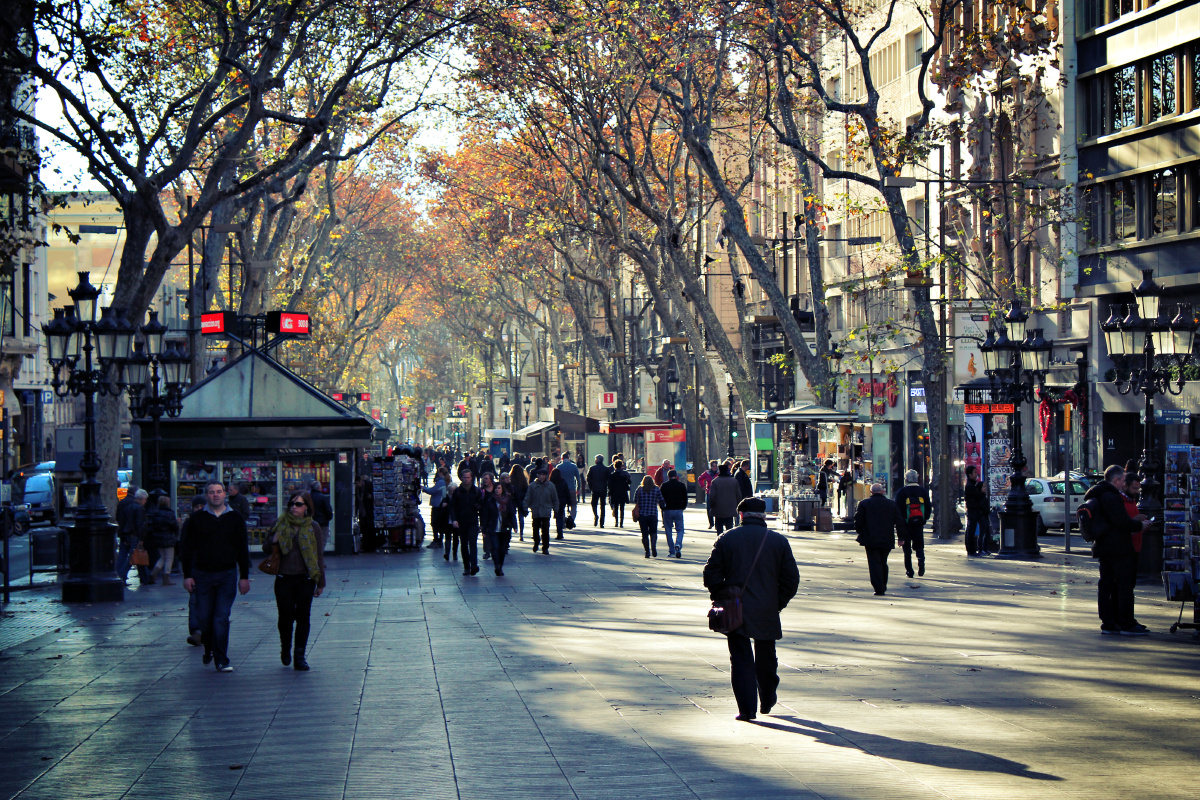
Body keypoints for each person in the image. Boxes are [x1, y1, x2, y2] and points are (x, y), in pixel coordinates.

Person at [703, 496, 800, 721]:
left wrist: (722, 596)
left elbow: (711, 574)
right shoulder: (778, 541)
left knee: (740, 658)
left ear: (741, 516)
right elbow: (791, 579)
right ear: (764, 516)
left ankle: (747, 709)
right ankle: (767, 698)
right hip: (767, 608)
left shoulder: (727, 539)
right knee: (767, 656)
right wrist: (778, 602)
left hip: (735, 608)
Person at [180, 481, 251, 673]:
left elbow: (242, 549)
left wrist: (244, 576)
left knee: (221, 616)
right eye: (212, 492)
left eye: (219, 492)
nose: (216, 495)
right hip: (202, 574)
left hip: (226, 574)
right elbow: (187, 549)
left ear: (225, 494)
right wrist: (187, 575)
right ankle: (208, 646)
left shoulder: (235, 518)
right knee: (204, 617)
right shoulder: (196, 519)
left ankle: (221, 659)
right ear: (207, 496)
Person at [1085, 465, 1151, 635]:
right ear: (1115, 480)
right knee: (1124, 585)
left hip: (1105, 546)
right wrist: (1141, 525)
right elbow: (1122, 523)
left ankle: (1110, 621)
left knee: (1108, 585)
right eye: (1122, 479)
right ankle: (1125, 622)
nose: (1124, 482)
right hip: (1118, 547)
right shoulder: (1111, 497)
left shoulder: (1099, 494)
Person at [266, 491, 326, 671]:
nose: (294, 507)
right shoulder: (280, 523)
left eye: (298, 504)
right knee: (285, 617)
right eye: (292, 504)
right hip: (284, 577)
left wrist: (320, 582)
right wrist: (275, 540)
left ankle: (300, 655)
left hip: (305, 578)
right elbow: (265, 547)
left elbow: (319, 555)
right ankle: (285, 648)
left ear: (306, 507)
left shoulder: (313, 527)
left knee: (303, 617)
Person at [854, 483, 903, 596]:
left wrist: (861, 532)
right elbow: (899, 522)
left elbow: (858, 521)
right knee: (883, 561)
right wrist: (901, 537)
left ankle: (878, 587)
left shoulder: (864, 504)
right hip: (887, 538)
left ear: (871, 492)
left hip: (870, 538)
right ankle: (883, 583)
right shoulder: (891, 504)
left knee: (874, 562)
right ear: (882, 491)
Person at [179, 495, 207, 646]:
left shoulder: (214, 521)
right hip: (195, 567)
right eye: (196, 507)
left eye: (201, 506)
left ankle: (206, 630)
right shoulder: (189, 523)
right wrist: (187, 573)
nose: (199, 510)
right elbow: (184, 548)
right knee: (195, 600)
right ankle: (196, 631)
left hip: (211, 567)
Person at [893, 470, 932, 579]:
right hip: (919, 523)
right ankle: (921, 561)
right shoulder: (923, 491)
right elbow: (928, 506)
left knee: (907, 548)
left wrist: (899, 522)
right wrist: (924, 519)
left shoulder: (901, 492)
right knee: (919, 544)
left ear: (906, 479)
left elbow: (898, 509)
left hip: (905, 523)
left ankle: (909, 570)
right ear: (917, 478)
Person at [447, 469, 484, 576]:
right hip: (461, 521)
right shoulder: (458, 491)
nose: (466, 479)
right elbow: (452, 506)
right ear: (461, 478)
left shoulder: (476, 491)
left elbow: (482, 506)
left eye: (468, 477)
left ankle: (474, 565)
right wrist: (454, 519)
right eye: (465, 477)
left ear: (471, 478)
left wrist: (481, 521)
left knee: (472, 542)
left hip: (473, 520)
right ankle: (466, 566)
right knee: (463, 544)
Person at [480, 480, 517, 576]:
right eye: (496, 488)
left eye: (499, 488)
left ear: (502, 489)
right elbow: (485, 516)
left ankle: (500, 565)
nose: (497, 490)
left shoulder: (507, 500)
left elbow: (512, 514)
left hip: (505, 528)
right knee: (495, 547)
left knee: (502, 549)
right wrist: (483, 529)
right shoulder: (490, 501)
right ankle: (497, 565)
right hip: (493, 528)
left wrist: (515, 526)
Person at [115, 487, 148, 586]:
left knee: (125, 555)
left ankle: (144, 577)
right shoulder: (139, 508)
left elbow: (121, 519)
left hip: (126, 533)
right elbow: (139, 524)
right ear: (142, 499)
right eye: (145, 499)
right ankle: (122, 576)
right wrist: (141, 537)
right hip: (134, 535)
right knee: (133, 557)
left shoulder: (126, 506)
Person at [145, 494, 180, 586]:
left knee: (162, 557)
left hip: (158, 538)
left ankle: (153, 573)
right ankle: (166, 578)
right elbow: (174, 526)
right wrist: (176, 534)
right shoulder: (170, 513)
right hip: (168, 537)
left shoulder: (155, 514)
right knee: (169, 558)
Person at [526, 467, 557, 554]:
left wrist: (556, 509)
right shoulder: (532, 486)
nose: (542, 477)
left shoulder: (550, 485)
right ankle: (536, 543)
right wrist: (525, 507)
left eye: (544, 475)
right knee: (535, 529)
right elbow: (528, 497)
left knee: (545, 530)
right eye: (540, 475)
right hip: (536, 510)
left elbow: (554, 498)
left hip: (546, 510)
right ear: (537, 475)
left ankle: (545, 547)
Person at [660, 469, 689, 558]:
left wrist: (663, 508)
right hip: (678, 509)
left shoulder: (664, 486)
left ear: (668, 476)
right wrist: (683, 507)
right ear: (676, 476)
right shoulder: (681, 485)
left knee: (668, 530)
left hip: (667, 510)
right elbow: (685, 498)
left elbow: (661, 498)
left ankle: (672, 550)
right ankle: (678, 544)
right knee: (680, 529)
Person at [633, 475, 663, 557]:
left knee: (644, 533)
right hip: (653, 514)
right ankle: (653, 546)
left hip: (642, 515)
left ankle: (647, 551)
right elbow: (661, 499)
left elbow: (635, 500)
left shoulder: (639, 489)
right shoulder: (656, 489)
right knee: (653, 532)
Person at [708, 463, 742, 534]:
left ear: (719, 471)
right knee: (729, 528)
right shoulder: (734, 481)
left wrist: (712, 506)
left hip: (718, 509)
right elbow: (738, 495)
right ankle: (729, 542)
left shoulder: (715, 482)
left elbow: (712, 496)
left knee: (719, 528)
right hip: (730, 508)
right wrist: (737, 505)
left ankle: (720, 542)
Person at [964, 465, 989, 555]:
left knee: (972, 529)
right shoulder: (970, 486)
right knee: (971, 530)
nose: (976, 474)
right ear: (970, 474)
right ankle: (971, 549)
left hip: (974, 510)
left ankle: (972, 549)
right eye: (974, 472)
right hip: (973, 511)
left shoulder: (972, 485)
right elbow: (974, 497)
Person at [423, 467, 451, 550]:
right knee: (440, 523)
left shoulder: (441, 482)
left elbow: (432, 491)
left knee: (434, 523)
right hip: (442, 505)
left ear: (440, 473)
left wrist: (423, 488)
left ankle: (436, 540)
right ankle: (439, 540)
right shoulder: (447, 481)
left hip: (437, 505)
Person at [556, 453, 581, 529]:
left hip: (561, 490)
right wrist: (578, 487)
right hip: (571, 489)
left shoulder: (559, 467)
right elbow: (578, 478)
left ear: (562, 458)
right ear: (569, 458)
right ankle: (571, 519)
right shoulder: (573, 466)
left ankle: (563, 522)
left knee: (562, 506)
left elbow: (556, 478)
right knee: (573, 505)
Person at [586, 455, 612, 528]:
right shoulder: (606, 469)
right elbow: (609, 480)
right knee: (602, 506)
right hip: (603, 489)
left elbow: (588, 479)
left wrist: (590, 487)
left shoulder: (592, 468)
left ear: (597, 460)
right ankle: (602, 522)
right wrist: (609, 489)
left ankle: (596, 515)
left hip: (595, 489)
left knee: (594, 504)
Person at [607, 459, 631, 528]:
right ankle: (621, 522)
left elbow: (610, 485)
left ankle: (616, 521)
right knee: (622, 508)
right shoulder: (625, 474)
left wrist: (609, 493)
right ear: (621, 466)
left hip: (615, 492)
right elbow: (629, 482)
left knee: (616, 507)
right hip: (623, 492)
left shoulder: (612, 475)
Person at [508, 465, 529, 542]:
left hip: (512, 499)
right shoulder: (523, 479)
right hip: (521, 499)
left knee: (512, 515)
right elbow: (526, 489)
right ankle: (521, 534)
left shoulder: (511, 479)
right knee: (521, 517)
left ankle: (512, 530)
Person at [550, 467, 571, 540]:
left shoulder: (550, 482)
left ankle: (559, 531)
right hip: (562, 500)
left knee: (557, 515)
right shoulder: (563, 482)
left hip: (553, 501)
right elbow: (567, 492)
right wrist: (569, 502)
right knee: (560, 515)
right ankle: (560, 532)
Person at [697, 460, 719, 529]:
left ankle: (717, 523)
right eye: (713, 466)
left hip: (718, 493)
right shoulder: (707, 473)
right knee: (709, 508)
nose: (715, 467)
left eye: (716, 466)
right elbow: (700, 479)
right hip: (709, 492)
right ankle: (711, 523)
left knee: (717, 508)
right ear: (711, 466)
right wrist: (703, 486)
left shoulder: (719, 473)